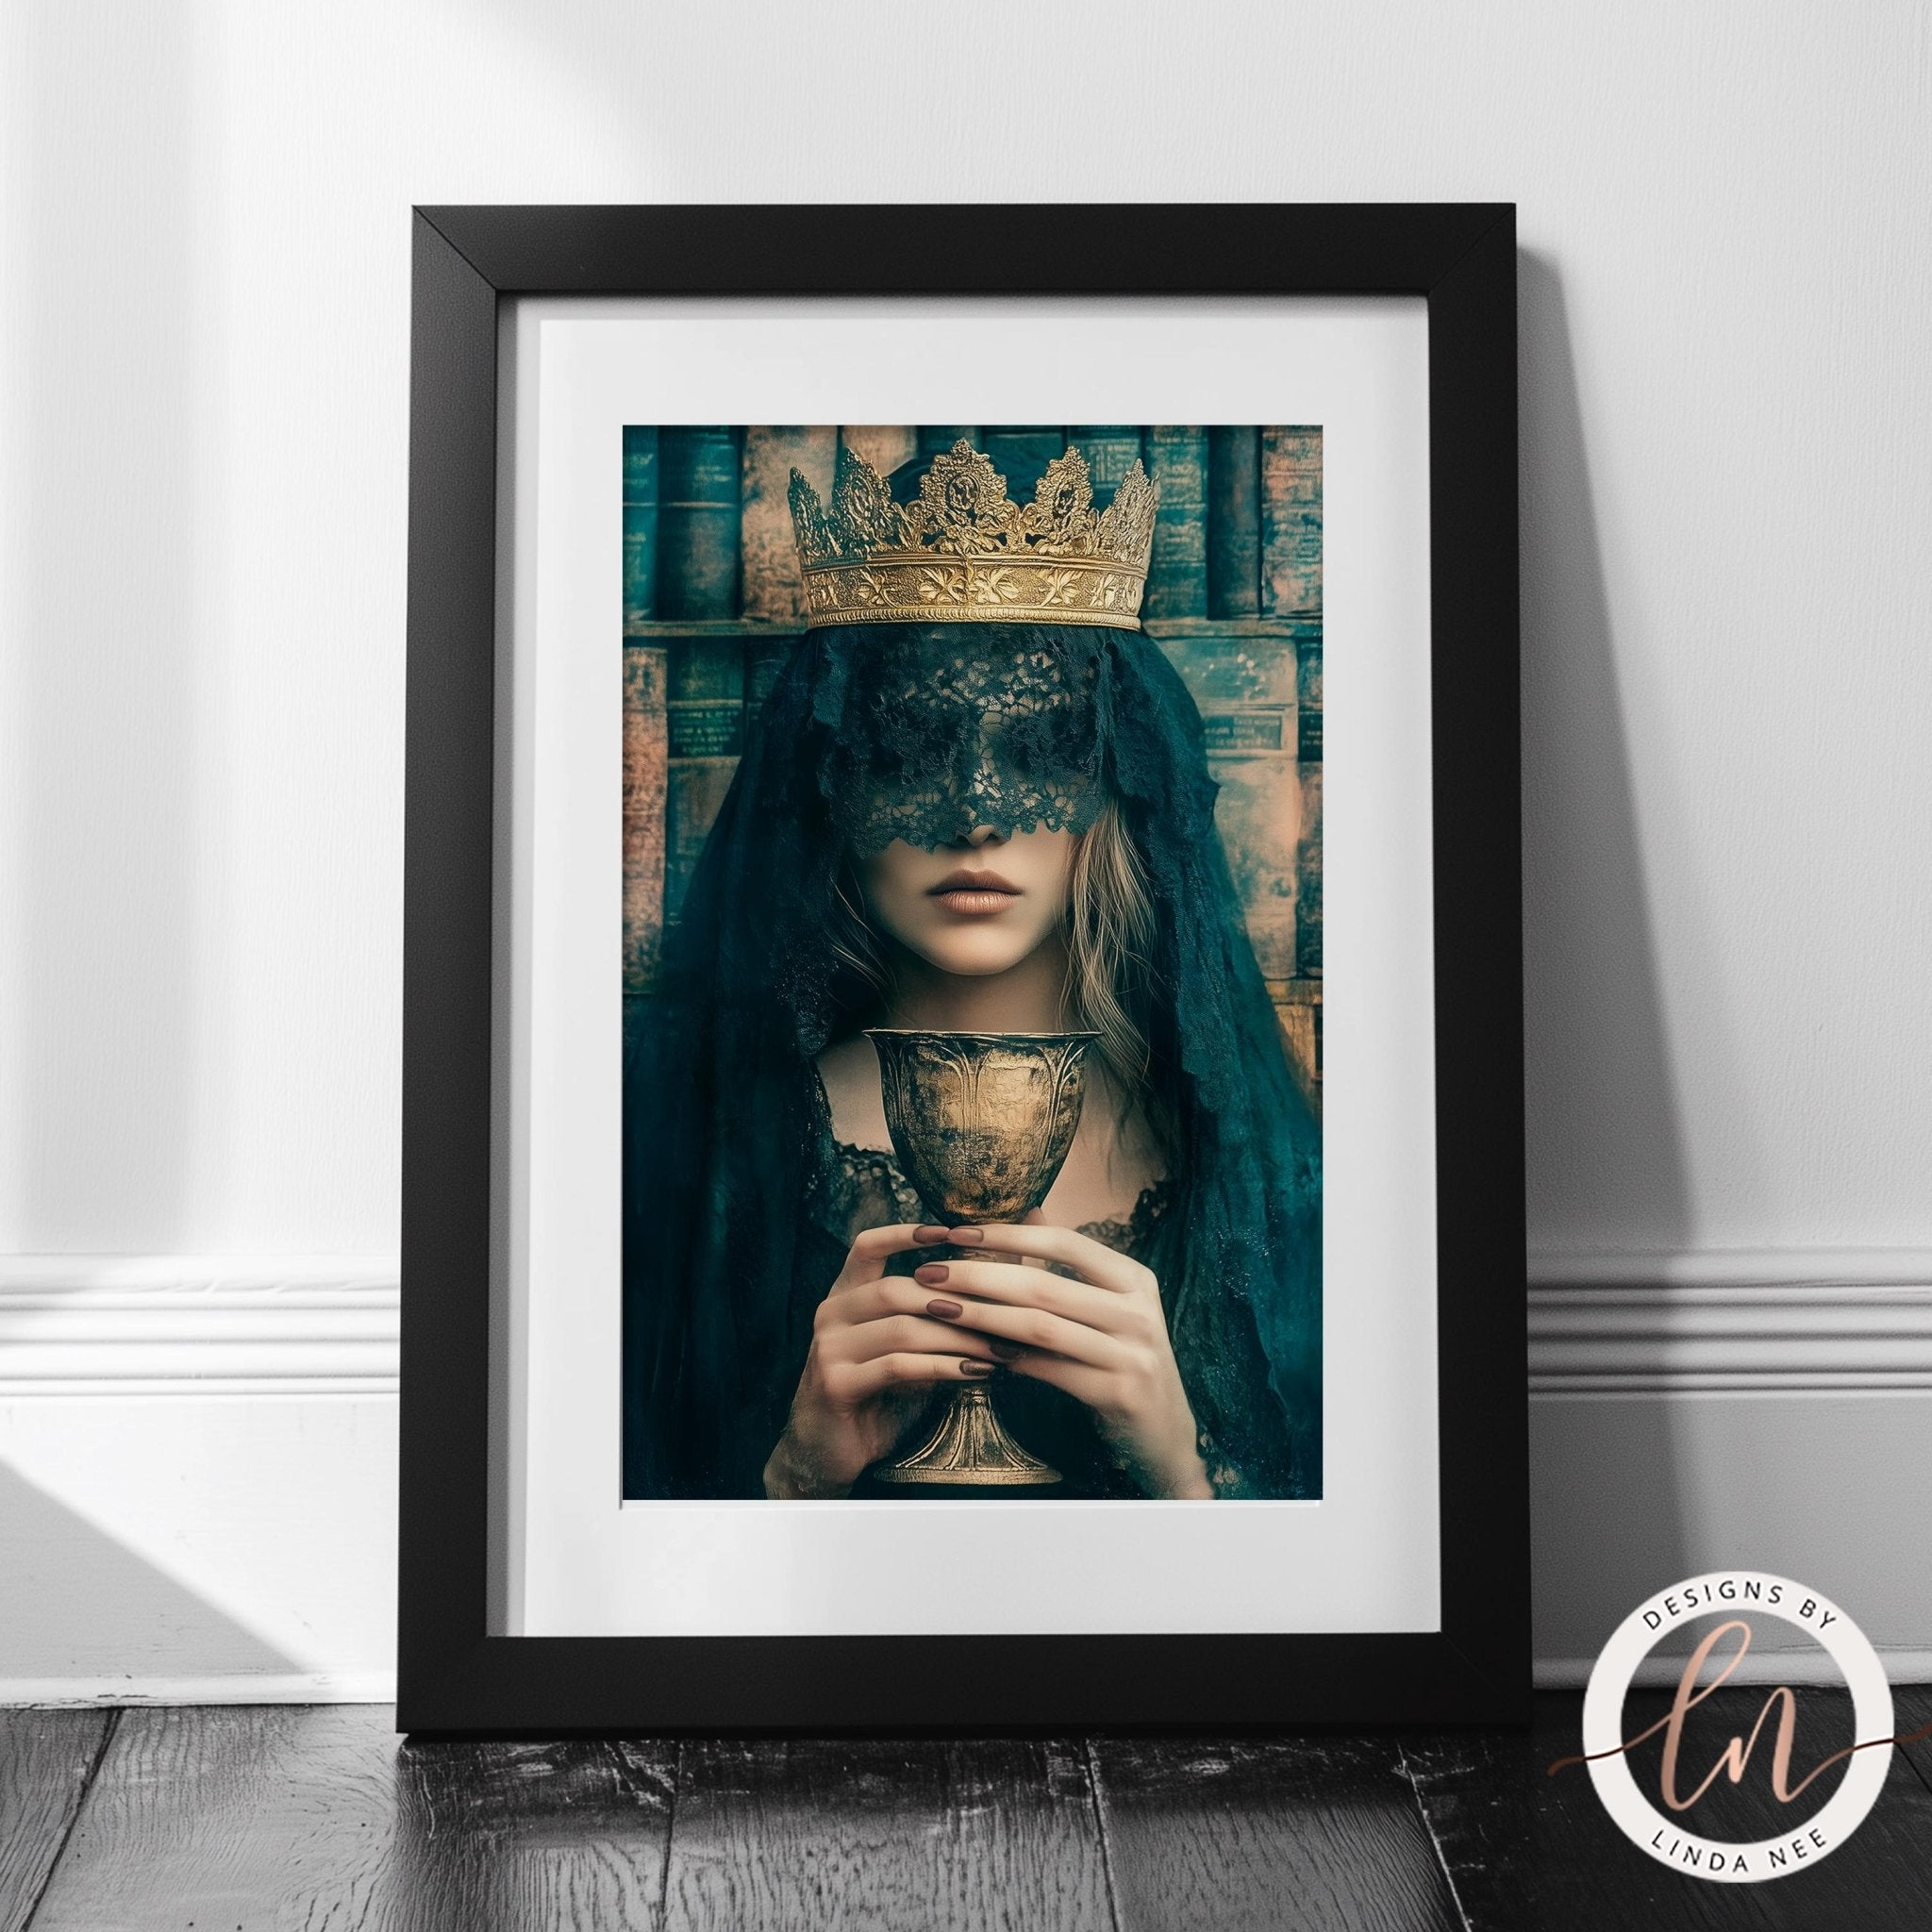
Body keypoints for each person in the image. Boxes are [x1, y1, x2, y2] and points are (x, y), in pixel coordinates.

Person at [624, 440, 1321, 1501]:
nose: (977, 811)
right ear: (824, 784)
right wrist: (796, 1469)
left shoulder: (1243, 1168)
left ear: (1120, 786)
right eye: (905, 750)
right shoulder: (697, 1147)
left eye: (1040, 748)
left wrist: (1180, 1468)